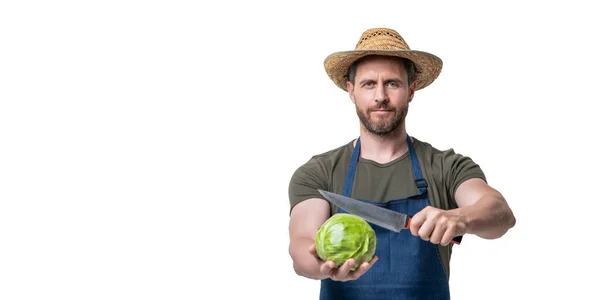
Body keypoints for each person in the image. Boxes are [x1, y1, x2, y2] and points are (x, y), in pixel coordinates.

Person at [287, 28, 516, 300]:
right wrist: (322, 266)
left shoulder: (444, 167)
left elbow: (500, 214)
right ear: (351, 91)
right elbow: (301, 247)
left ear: (411, 89)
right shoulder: (320, 172)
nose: (380, 96)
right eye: (369, 84)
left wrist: (460, 218)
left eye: (392, 83)